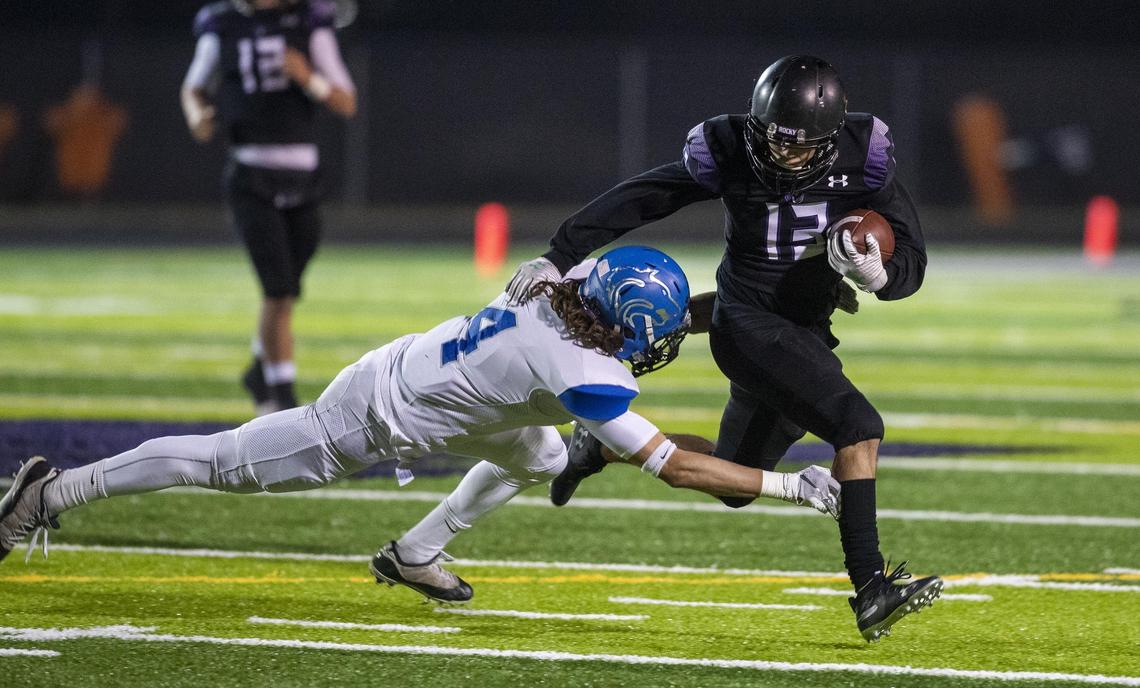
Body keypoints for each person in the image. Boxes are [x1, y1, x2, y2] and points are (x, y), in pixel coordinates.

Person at [0, 247, 841, 608]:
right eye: (646, 338)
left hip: (434, 378)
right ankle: (52, 491)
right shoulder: (583, 374)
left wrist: (752, 310)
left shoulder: (573, 283)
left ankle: (416, 553)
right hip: (373, 416)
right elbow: (681, 469)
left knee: (541, 451)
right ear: (614, 326)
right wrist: (789, 486)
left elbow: (641, 313)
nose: (654, 348)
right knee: (220, 464)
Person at [504, 56, 941, 642]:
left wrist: (878, 275)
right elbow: (646, 196)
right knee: (858, 426)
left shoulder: (865, 156)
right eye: (772, 140)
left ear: (830, 141)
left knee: (738, 480)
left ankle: (599, 449)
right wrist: (559, 254)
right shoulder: (729, 148)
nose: (781, 155)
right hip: (747, 325)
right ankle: (871, 588)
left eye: (798, 146)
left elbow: (911, 259)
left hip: (803, 330)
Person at [180, 0, 357, 415]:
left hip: (304, 179)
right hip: (250, 176)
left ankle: (262, 368)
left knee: (288, 290)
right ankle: (283, 398)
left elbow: (346, 101)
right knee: (277, 291)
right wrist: (196, 115)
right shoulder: (222, 24)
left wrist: (307, 78)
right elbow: (193, 87)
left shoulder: (309, 24)